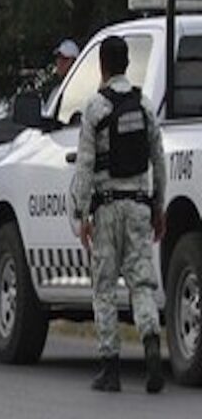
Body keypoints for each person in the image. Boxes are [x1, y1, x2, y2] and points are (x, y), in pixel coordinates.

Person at [70, 35, 166, 394]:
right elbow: (158, 158)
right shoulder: (143, 105)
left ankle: (110, 368)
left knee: (105, 287)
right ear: (127, 63)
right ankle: (151, 339)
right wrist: (159, 204)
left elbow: (85, 166)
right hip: (141, 204)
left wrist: (81, 214)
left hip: (107, 208)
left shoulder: (95, 108)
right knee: (142, 283)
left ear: (103, 66)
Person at [45, 39, 80, 110]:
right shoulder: (56, 92)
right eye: (58, 57)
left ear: (75, 63)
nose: (60, 62)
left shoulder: (80, 92)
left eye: (65, 59)